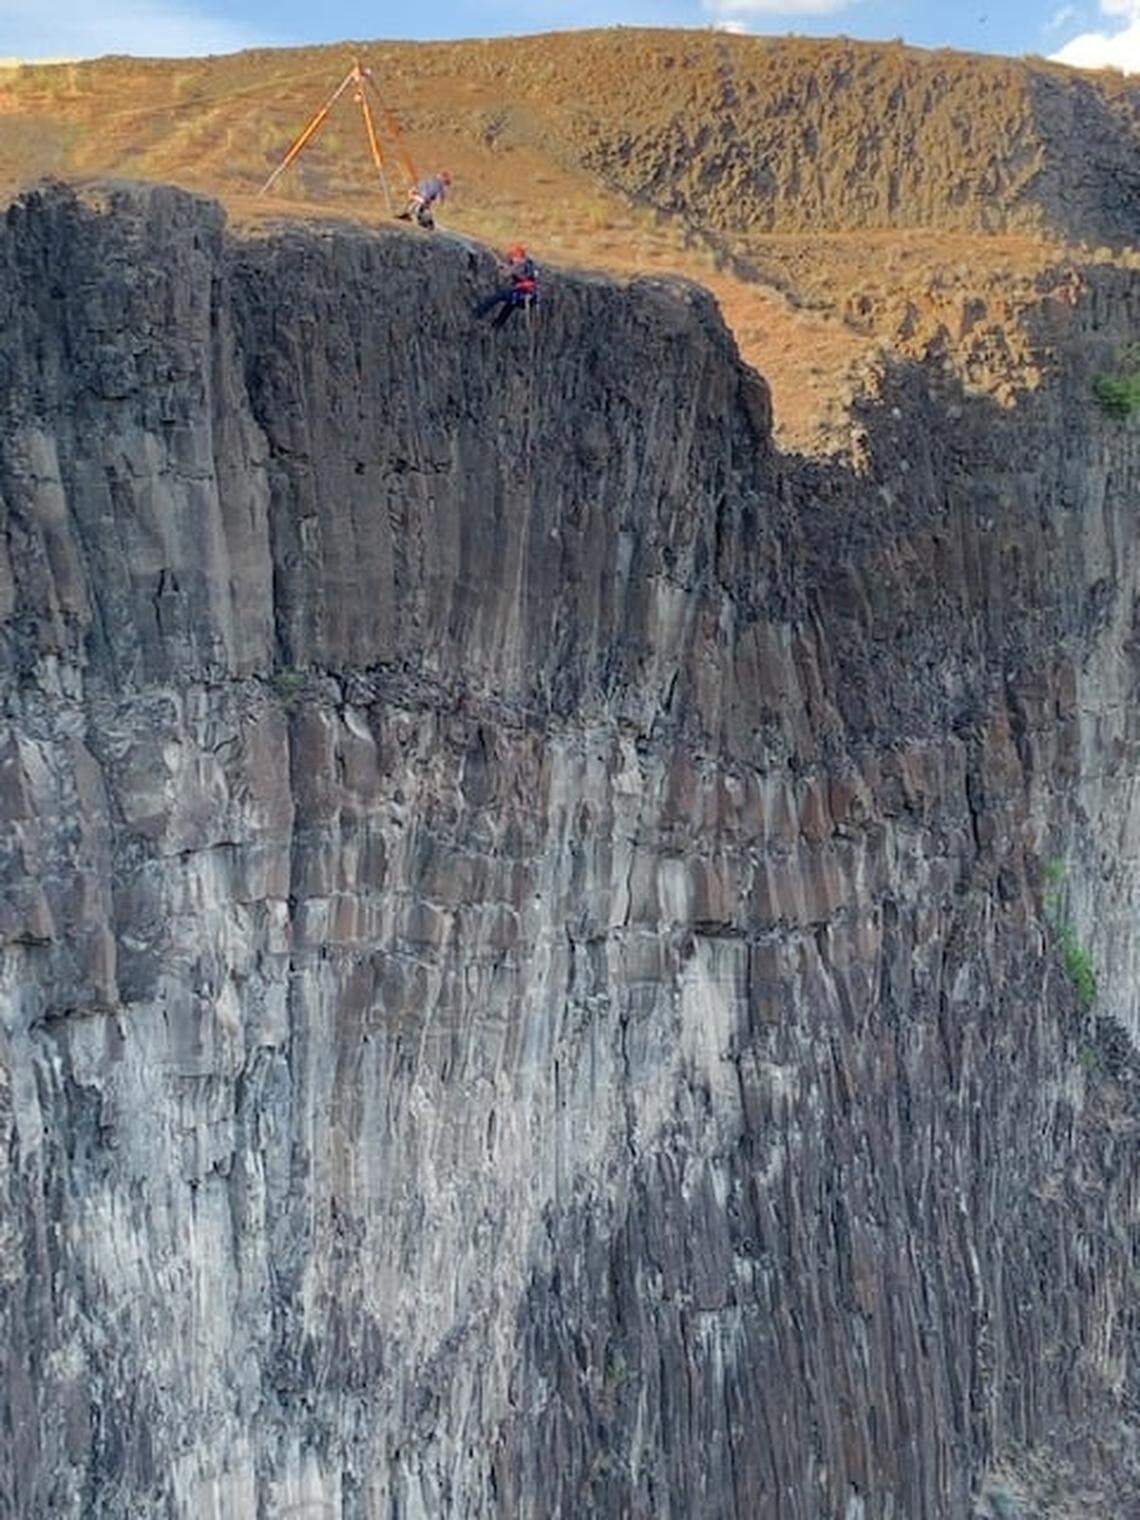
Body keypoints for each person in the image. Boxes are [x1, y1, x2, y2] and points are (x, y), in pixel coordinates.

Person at [475, 243, 539, 329]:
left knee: (499, 296)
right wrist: (497, 256)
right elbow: (508, 270)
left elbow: (506, 273)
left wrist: (499, 263)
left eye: (513, 257)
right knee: (509, 305)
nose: (511, 260)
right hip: (527, 298)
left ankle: (478, 312)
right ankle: (497, 325)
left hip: (523, 297)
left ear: (519, 257)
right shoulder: (527, 265)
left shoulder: (521, 265)